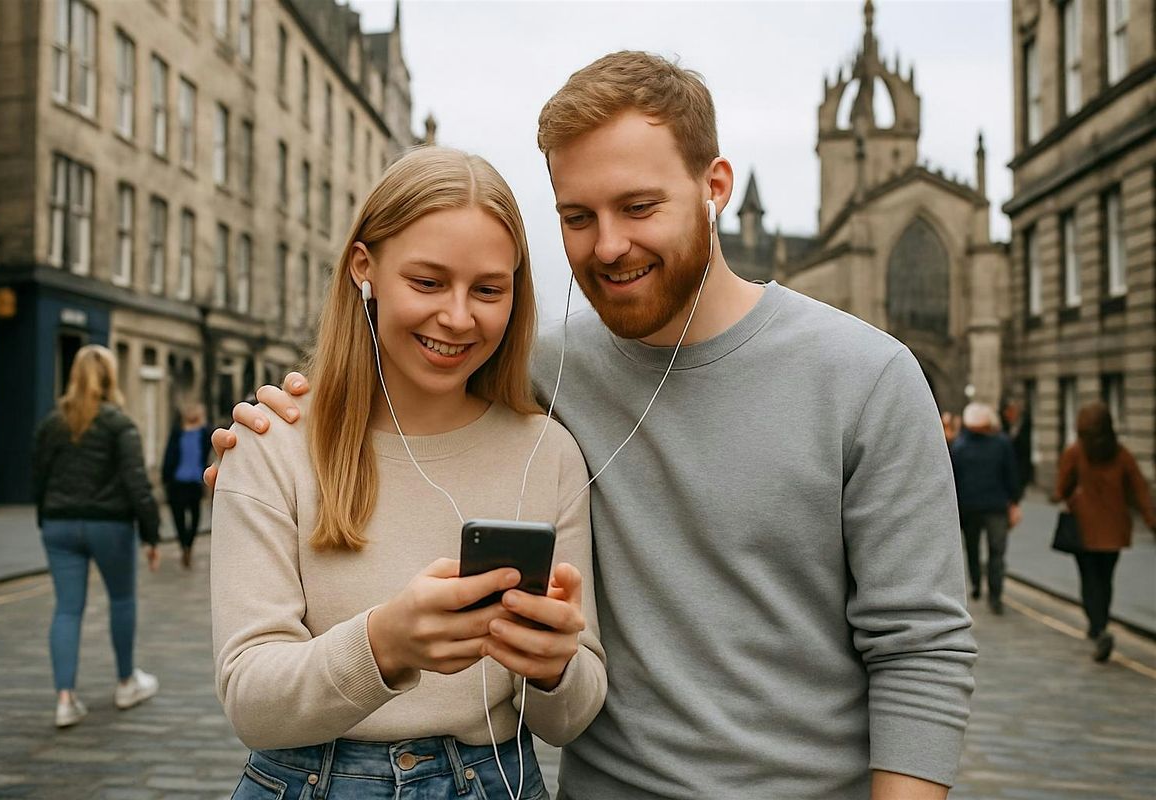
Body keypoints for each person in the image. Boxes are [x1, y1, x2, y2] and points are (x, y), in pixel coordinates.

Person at [209, 52, 975, 800]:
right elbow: (406, 389)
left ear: (715, 187)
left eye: (638, 207)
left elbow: (922, 650)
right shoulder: (545, 375)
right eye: (578, 216)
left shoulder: (869, 377)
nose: (608, 245)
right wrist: (271, 441)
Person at [209, 147, 606, 800]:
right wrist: (384, 644)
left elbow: (569, 719)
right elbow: (251, 701)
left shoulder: (549, 453)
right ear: (364, 268)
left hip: (494, 779)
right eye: (427, 282)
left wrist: (554, 667)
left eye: (488, 289)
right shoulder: (271, 441)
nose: (458, 316)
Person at [31, 344, 162, 728]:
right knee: (121, 600)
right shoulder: (119, 424)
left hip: (59, 524)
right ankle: (125, 684)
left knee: (67, 608)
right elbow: (137, 483)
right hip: (110, 525)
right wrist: (151, 535)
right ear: (110, 377)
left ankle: (65, 700)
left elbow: (38, 477)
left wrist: (45, 519)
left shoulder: (52, 424)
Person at [1053, 403, 1156, 663]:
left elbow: (1061, 488)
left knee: (1089, 580)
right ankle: (1101, 622)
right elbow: (1141, 491)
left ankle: (1098, 627)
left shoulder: (1076, 452)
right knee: (1105, 579)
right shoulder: (1122, 454)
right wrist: (1151, 521)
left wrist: (1068, 496)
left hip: (1084, 528)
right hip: (1114, 530)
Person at [949, 403, 1020, 614]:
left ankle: (976, 585)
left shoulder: (959, 446)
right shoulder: (1002, 443)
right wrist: (1014, 501)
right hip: (996, 507)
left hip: (969, 507)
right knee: (996, 552)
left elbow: (954, 480)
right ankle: (995, 595)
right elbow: (1011, 475)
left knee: (972, 549)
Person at [161, 402, 210, 569]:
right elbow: (169, 454)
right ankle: (184, 546)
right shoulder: (177, 432)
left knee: (195, 517)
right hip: (177, 482)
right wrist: (165, 477)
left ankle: (189, 545)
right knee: (178, 518)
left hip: (195, 482)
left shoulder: (204, 433)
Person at [1000, 398, 1033, 500]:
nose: (1011, 414)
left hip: (1019, 471)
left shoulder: (1023, 427)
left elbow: (1025, 452)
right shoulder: (1002, 428)